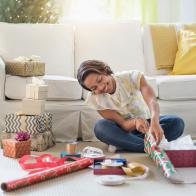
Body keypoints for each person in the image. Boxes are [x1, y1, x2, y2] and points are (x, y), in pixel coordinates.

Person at [77, 60, 184, 152]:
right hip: (124, 130)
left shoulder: (132, 77)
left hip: (148, 124)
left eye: (100, 80)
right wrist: (135, 122)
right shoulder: (95, 99)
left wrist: (155, 122)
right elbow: (123, 124)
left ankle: (124, 144)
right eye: (94, 88)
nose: (100, 88)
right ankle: (148, 146)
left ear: (104, 70)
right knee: (100, 127)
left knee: (177, 123)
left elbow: (152, 100)